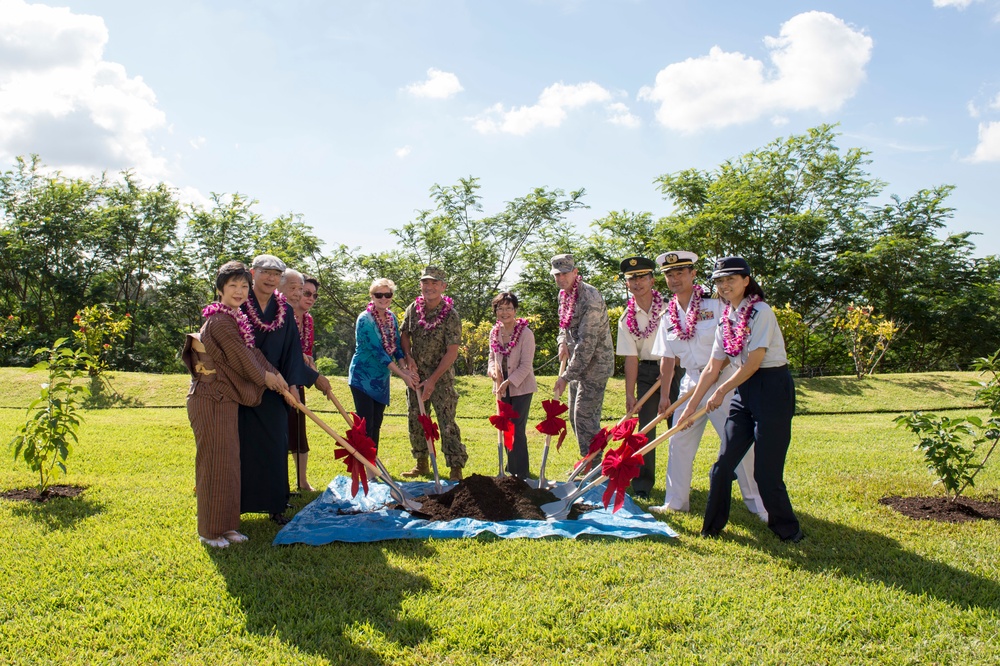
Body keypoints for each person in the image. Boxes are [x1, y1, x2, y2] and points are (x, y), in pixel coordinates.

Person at [676, 256, 802, 542]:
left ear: (746, 280)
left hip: (771, 390)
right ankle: (712, 528)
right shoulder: (725, 318)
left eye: (731, 279)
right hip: (743, 393)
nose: (724, 285)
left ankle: (788, 531)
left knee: (766, 474)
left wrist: (720, 391)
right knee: (721, 468)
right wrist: (690, 407)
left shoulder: (762, 312)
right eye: (719, 281)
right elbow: (712, 366)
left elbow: (754, 362)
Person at [648, 251, 766, 519]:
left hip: (723, 381)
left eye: (680, 272)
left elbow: (730, 350)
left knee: (739, 443)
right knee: (678, 441)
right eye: (669, 274)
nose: (674, 278)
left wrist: (713, 381)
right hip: (690, 381)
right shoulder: (667, 315)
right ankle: (676, 502)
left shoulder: (716, 306)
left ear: (693, 274)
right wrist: (665, 397)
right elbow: (667, 359)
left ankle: (757, 504)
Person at [183, 261, 290, 548]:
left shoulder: (235, 318)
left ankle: (228, 525)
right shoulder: (219, 322)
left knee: (230, 465)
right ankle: (209, 530)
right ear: (220, 289)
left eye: (244, 286)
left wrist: (275, 373)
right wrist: (266, 378)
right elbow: (239, 358)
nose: (240, 291)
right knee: (215, 464)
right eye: (233, 286)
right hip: (209, 399)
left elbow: (252, 351)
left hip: (225, 400)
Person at [239, 254, 331, 524]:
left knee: (277, 444)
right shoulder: (241, 305)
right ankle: (241, 503)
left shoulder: (284, 310)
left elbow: (293, 352)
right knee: (244, 448)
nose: (270, 278)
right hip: (245, 387)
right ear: (253, 273)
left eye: (275, 273)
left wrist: (299, 383)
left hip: (276, 391)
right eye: (265, 272)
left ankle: (276, 505)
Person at [400, 266, 468, 481]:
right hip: (416, 377)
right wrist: (408, 358)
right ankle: (422, 463)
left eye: (434, 283)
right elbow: (405, 334)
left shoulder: (451, 315)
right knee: (416, 418)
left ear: (443, 286)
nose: (429, 287)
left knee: (447, 421)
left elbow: (452, 351)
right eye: (425, 283)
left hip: (441, 378)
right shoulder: (413, 308)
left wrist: (433, 380)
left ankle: (455, 466)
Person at [614, 256, 673, 499]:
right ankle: (642, 485)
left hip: (677, 369)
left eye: (641, 277)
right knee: (645, 430)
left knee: (679, 427)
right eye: (631, 278)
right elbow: (630, 358)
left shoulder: (671, 309)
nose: (637, 282)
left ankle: (678, 486)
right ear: (627, 284)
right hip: (648, 374)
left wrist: (670, 370)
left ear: (652, 279)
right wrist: (630, 393)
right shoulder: (626, 318)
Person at [551, 254, 614, 465]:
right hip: (577, 364)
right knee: (574, 417)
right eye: (557, 275)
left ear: (575, 272)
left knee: (585, 417)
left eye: (565, 273)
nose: (561, 278)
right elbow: (563, 324)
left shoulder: (590, 296)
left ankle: (594, 469)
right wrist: (562, 342)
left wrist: (566, 376)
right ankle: (588, 463)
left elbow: (587, 343)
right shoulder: (563, 295)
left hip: (596, 365)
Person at [349, 278, 416, 449]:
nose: (383, 298)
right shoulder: (364, 319)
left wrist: (405, 367)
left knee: (377, 423)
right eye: (379, 294)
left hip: (381, 378)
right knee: (366, 424)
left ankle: (373, 467)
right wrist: (403, 375)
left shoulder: (391, 317)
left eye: (388, 294)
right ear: (371, 296)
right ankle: (365, 468)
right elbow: (378, 352)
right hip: (363, 377)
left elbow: (396, 346)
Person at [486, 292, 537, 478]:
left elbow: (526, 365)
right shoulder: (494, 332)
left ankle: (520, 472)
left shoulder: (526, 334)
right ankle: (509, 468)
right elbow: (492, 358)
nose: (504, 312)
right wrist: (492, 372)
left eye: (508, 308)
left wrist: (509, 381)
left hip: (520, 386)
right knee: (505, 426)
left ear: (515, 310)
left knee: (516, 426)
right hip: (501, 385)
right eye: (500, 308)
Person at [283, 268, 315, 491]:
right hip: (280, 381)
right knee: (281, 431)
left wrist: (310, 365)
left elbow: (306, 350)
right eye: (305, 293)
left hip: (299, 380)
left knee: (298, 429)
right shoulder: (283, 316)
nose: (309, 298)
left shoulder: (309, 320)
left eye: (314, 295)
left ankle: (302, 481)